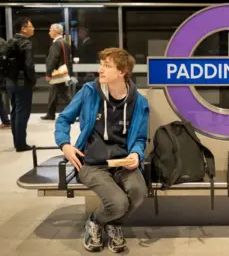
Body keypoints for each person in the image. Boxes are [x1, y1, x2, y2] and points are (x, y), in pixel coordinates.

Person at [55, 48, 150, 253]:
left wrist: (136, 154)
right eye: (101, 64)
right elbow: (63, 119)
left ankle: (111, 224)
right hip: (91, 163)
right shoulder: (89, 92)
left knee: (139, 192)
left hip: (122, 163)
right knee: (117, 203)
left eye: (107, 66)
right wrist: (65, 145)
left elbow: (140, 138)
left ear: (122, 71)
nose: (101, 69)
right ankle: (95, 222)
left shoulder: (139, 102)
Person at [5, 17, 36, 152]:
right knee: (23, 112)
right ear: (24, 28)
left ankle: (17, 141)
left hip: (10, 82)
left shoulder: (10, 42)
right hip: (23, 83)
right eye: (31, 26)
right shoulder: (26, 44)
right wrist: (32, 79)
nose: (33, 28)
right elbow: (28, 65)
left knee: (15, 111)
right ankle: (21, 144)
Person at [41, 23, 73, 120]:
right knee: (54, 93)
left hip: (57, 73)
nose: (49, 32)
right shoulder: (65, 42)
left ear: (55, 32)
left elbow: (53, 59)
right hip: (63, 72)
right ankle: (50, 113)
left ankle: (78, 112)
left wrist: (48, 73)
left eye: (50, 30)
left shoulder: (57, 43)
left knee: (64, 94)